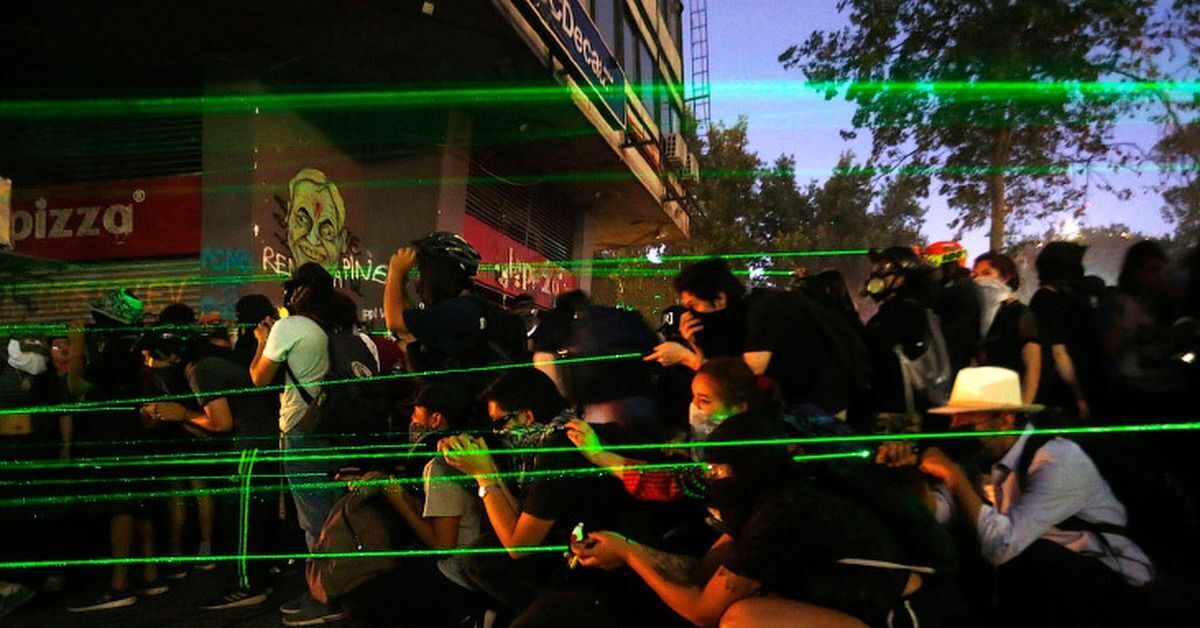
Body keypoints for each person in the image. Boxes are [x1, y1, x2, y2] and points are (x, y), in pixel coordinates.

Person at [571, 409, 931, 628]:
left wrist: (628, 554)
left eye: (718, 470)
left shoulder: (782, 512)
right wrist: (624, 546)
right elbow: (702, 571)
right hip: (856, 605)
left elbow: (702, 611)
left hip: (900, 614)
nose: (712, 478)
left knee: (741, 619)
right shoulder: (761, 493)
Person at [912, 367, 1152, 627]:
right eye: (953, 419)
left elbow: (1001, 547)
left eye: (966, 420)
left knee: (1027, 558)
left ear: (1005, 420)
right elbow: (936, 513)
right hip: (1050, 588)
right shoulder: (979, 461)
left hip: (1108, 582)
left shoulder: (1058, 460)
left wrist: (953, 475)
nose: (955, 429)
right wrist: (912, 471)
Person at [439, 369, 636, 619]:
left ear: (527, 416)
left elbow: (519, 546)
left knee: (480, 560)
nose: (497, 433)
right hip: (584, 549)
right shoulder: (562, 434)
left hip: (596, 568)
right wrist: (487, 465)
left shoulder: (556, 450)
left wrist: (483, 476)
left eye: (500, 423)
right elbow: (521, 516)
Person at [645, 258, 872, 420]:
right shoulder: (741, 314)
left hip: (828, 405)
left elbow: (743, 375)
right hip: (800, 402)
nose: (689, 314)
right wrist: (696, 341)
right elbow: (721, 365)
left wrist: (687, 358)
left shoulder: (765, 310)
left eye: (694, 305)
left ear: (720, 299)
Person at [339, 382, 487, 627]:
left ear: (436, 418)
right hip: (475, 570)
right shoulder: (476, 447)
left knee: (359, 605)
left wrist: (396, 498)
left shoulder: (440, 462)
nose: (411, 420)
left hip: (457, 576)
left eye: (416, 413)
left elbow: (442, 543)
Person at [248, 263, 345, 625]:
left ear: (297, 292)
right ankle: (335, 588)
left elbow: (259, 378)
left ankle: (324, 597)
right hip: (328, 426)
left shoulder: (288, 328)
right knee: (332, 513)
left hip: (301, 430)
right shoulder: (328, 328)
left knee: (313, 519)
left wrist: (262, 341)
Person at [65, 289, 169, 612]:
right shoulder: (134, 348)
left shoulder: (115, 352)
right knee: (139, 505)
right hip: (133, 435)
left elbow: (75, 386)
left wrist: (76, 345)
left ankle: (119, 585)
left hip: (114, 437)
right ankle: (150, 575)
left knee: (121, 507)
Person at [384, 231, 525, 394]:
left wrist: (396, 272)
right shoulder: (469, 308)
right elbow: (409, 328)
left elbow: (396, 322)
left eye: (421, 273)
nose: (417, 285)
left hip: (465, 405)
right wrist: (400, 282)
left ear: (436, 275)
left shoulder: (457, 313)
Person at [863, 247, 950, 421]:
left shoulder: (907, 312)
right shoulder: (896, 310)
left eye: (884, 267)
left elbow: (875, 347)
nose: (876, 274)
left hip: (901, 412)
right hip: (898, 406)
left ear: (903, 278)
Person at [1029, 242, 1105, 420]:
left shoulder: (1057, 296)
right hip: (1066, 388)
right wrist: (1079, 396)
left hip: (1075, 382)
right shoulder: (1051, 299)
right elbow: (1058, 351)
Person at [973, 252, 1041, 404]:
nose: (979, 280)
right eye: (974, 276)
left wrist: (1024, 405)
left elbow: (1033, 366)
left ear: (1006, 277)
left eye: (987, 273)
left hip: (1013, 400)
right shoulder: (978, 318)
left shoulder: (1020, 314)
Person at [924, 241, 981, 379]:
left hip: (952, 359)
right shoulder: (953, 285)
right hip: (948, 357)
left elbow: (935, 302)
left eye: (932, 267)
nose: (929, 274)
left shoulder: (961, 288)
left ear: (947, 265)